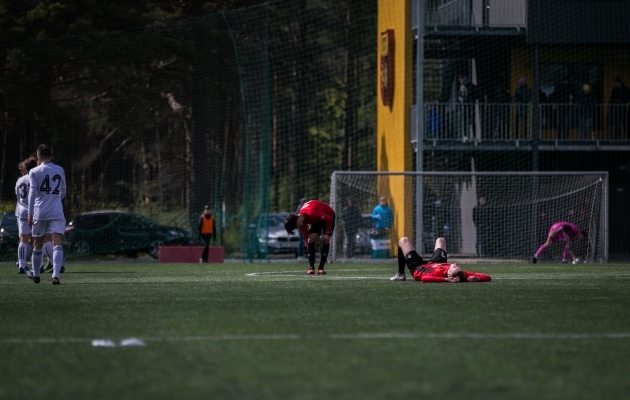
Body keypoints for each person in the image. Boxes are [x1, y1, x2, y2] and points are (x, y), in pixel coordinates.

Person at [26, 144, 67, 285]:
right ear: (51, 156)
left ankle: (36, 274)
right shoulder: (60, 169)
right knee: (57, 244)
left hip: (40, 212)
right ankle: (55, 275)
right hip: (56, 211)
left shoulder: (34, 172)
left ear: (38, 157)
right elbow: (63, 192)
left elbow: (32, 194)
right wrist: (54, 200)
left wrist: (30, 213)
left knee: (37, 244)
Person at [390, 236, 491, 283]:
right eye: (457, 266)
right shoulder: (462, 274)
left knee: (404, 241)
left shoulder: (438, 274)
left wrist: (445, 280)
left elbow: (425, 279)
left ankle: (401, 274)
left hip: (419, 268)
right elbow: (488, 277)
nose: (455, 264)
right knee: (441, 240)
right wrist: (478, 279)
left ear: (449, 274)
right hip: (438, 263)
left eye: (455, 267)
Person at [284, 199, 336, 274]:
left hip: (328, 215)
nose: (298, 228)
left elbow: (329, 219)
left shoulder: (312, 213)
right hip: (316, 219)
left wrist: (326, 233)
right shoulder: (301, 222)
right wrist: (312, 255)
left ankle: (321, 267)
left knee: (326, 239)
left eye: (296, 227)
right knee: (310, 239)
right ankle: (311, 267)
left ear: (297, 222)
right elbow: (306, 238)